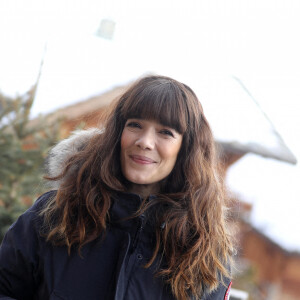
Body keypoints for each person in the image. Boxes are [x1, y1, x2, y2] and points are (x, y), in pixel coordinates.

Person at [0, 75, 233, 300]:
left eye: (165, 132)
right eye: (135, 125)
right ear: (117, 133)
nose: (145, 141)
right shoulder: (56, 213)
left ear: (186, 148)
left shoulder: (203, 250)